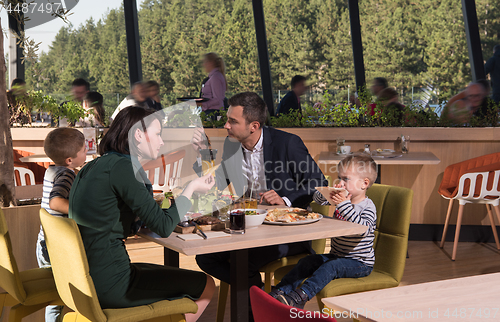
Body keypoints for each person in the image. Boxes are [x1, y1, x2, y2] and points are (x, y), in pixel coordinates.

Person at [69, 107, 215, 322]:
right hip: (113, 283)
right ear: (138, 135)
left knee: (165, 275)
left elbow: (123, 216)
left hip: (86, 277)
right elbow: (164, 228)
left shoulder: (95, 166)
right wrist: (191, 189)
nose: (161, 142)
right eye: (157, 134)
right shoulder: (124, 168)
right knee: (206, 284)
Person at [193, 92, 327, 296]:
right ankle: (264, 297)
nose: (226, 126)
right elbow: (217, 182)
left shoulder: (287, 143)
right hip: (250, 228)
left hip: (288, 232)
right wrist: (202, 153)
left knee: (243, 263)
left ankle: (256, 305)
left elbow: (319, 182)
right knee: (205, 257)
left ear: (254, 126)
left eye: (232, 121)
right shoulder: (232, 145)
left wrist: (285, 200)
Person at [269, 154, 377, 309]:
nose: (340, 183)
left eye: (346, 179)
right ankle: (280, 291)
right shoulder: (342, 198)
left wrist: (344, 205)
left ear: (364, 183)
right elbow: (318, 199)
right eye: (340, 178)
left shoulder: (367, 207)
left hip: (359, 262)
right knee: (308, 261)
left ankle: (300, 296)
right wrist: (327, 193)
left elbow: (362, 230)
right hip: (337, 255)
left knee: (331, 267)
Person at [37, 128, 88, 322]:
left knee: (55, 299)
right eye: (84, 150)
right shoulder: (66, 175)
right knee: (60, 297)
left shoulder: (51, 170)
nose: (86, 153)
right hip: (55, 248)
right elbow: (56, 202)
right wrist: (84, 212)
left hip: (44, 243)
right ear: (70, 160)